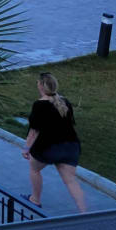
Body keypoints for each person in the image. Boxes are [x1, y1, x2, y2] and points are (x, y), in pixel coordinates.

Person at [22, 72, 88, 212]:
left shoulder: (39, 105)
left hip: (48, 148)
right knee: (71, 181)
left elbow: (34, 131)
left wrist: (26, 148)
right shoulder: (65, 102)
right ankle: (84, 212)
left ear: (41, 86)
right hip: (71, 146)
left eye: (38, 83)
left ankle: (35, 200)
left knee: (34, 169)